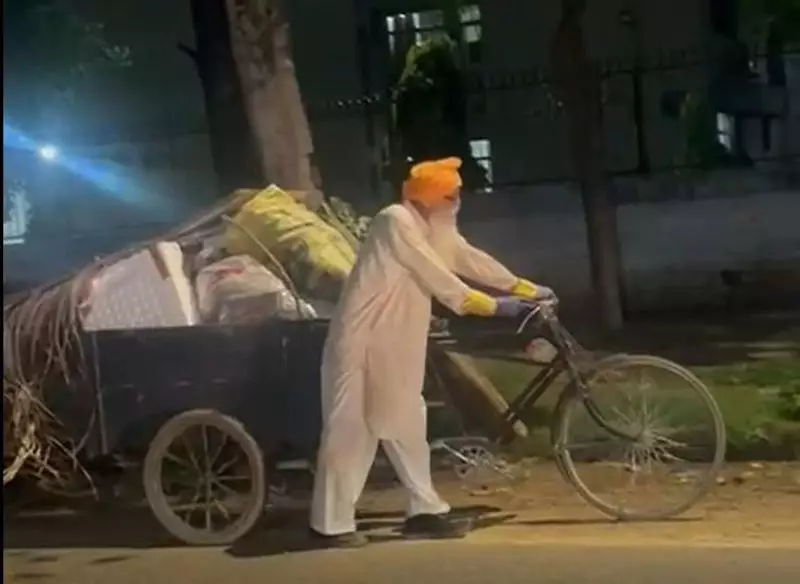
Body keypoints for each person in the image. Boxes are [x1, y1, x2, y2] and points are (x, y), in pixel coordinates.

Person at [309, 157, 556, 548]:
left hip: (394, 345)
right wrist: (498, 307)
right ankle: (330, 525)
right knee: (351, 433)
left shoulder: (432, 228)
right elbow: (442, 281)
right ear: (428, 199)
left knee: (407, 424)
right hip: (360, 345)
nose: (457, 204)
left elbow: (469, 259)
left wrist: (524, 288)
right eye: (451, 197)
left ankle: (424, 510)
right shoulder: (394, 222)